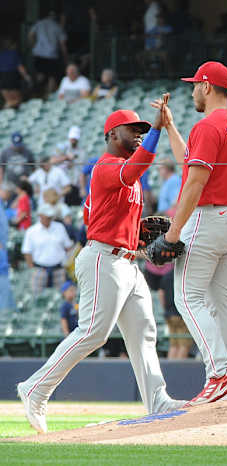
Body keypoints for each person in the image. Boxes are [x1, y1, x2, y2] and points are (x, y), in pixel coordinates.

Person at [17, 104, 185, 435]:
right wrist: (156, 129)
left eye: (141, 131)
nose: (137, 135)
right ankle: (36, 389)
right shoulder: (107, 166)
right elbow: (136, 169)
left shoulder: (123, 172)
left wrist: (132, 235)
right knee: (93, 331)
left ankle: (158, 401)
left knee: (144, 332)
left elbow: (94, 215)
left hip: (126, 260)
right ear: (111, 134)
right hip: (103, 259)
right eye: (132, 130)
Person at [157, 61, 227, 405]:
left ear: (207, 87)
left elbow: (195, 181)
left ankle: (220, 372)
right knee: (221, 303)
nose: (193, 89)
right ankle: (226, 376)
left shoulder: (208, 125)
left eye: (195, 84)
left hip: (207, 219)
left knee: (187, 297)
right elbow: (191, 163)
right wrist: (171, 128)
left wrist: (173, 232)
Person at [21, 204, 73, 293]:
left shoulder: (59, 227)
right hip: (40, 269)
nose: (49, 218)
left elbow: (68, 246)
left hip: (58, 268)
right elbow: (27, 251)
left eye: (50, 217)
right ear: (40, 216)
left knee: (60, 296)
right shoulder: (32, 231)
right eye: (47, 216)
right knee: (37, 297)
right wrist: (32, 268)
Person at [28, 11, 67, 94]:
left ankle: (36, 93)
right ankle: (48, 95)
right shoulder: (57, 26)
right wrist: (65, 57)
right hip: (51, 55)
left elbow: (31, 35)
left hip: (38, 53)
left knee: (40, 75)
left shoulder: (39, 23)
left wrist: (34, 46)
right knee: (51, 76)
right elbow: (63, 44)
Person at [54, 126, 85, 206]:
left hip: (75, 184)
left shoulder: (81, 151)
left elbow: (81, 170)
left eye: (75, 138)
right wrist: (66, 157)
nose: (73, 140)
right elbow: (52, 161)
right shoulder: (62, 147)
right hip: (63, 185)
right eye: (72, 138)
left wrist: (82, 188)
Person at [0, 37, 32, 109]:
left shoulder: (1, 54)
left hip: (2, 78)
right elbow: (20, 67)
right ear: (13, 45)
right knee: (17, 100)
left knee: (8, 100)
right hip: (12, 77)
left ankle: (6, 113)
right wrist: (27, 77)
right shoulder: (14, 53)